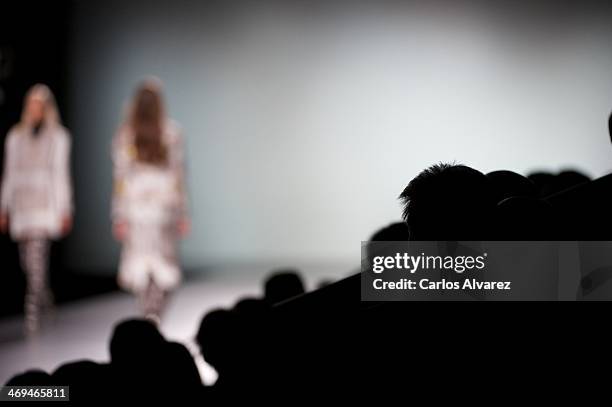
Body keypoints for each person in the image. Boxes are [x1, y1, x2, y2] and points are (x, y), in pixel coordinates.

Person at [111, 79, 189, 322]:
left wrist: (118, 214)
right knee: (160, 265)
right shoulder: (169, 133)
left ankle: (149, 315)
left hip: (141, 208)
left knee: (145, 264)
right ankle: (153, 316)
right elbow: (178, 177)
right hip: (161, 207)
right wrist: (183, 212)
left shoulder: (128, 135)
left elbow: (121, 179)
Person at [0, 84, 73, 335]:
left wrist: (65, 208)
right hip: (22, 206)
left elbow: (60, 174)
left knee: (37, 260)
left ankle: (31, 314)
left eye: (40, 105)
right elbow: (9, 173)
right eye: (32, 104)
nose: (35, 109)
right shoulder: (15, 137)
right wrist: (4, 207)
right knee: (27, 263)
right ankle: (45, 299)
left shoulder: (58, 137)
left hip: (45, 205)